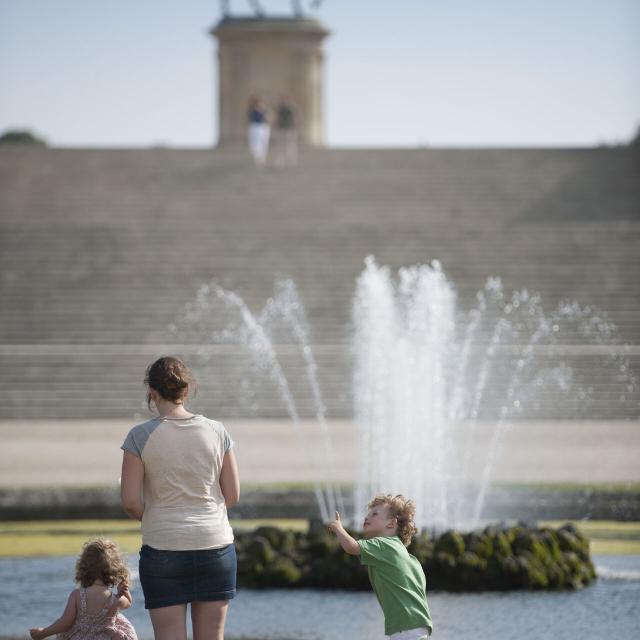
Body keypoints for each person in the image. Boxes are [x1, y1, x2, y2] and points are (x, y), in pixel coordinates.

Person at [120, 356, 240, 640]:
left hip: (163, 547)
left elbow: (130, 501)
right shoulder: (217, 430)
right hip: (216, 545)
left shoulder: (139, 436)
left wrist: (154, 517)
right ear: (186, 390)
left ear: (151, 390)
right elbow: (232, 495)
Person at [327, 494, 433, 640]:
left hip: (405, 628)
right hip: (419, 626)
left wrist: (338, 528)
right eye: (368, 514)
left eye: (374, 514)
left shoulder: (384, 545)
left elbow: (351, 547)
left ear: (391, 523)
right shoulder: (409, 558)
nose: (366, 517)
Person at [29, 538, 137, 640]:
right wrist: (125, 591)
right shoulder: (115, 599)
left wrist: (43, 632)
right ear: (115, 571)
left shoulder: (77, 595)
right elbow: (128, 603)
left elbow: (65, 622)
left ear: (84, 569)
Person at [273, 96, 299, 168]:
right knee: (280, 146)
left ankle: (291, 161)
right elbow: (276, 118)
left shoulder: (291, 109)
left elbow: (295, 118)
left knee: (290, 146)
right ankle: (279, 162)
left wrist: (295, 128)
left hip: (289, 129)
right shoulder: (279, 109)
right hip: (281, 129)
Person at [247, 96, 270, 166]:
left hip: (263, 127)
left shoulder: (264, 110)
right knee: (255, 144)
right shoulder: (252, 110)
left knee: (263, 143)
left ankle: (262, 159)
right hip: (254, 127)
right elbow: (249, 118)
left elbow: (269, 118)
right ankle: (258, 158)